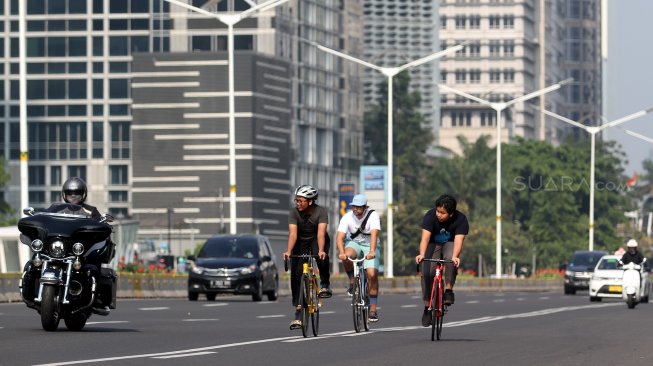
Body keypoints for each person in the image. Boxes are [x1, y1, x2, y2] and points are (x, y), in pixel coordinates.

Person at [415, 194, 469, 327]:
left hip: (450, 243)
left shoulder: (461, 219)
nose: (438, 214)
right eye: (438, 211)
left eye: (442, 213)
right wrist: (421, 254)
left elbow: (458, 241)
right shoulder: (430, 216)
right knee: (427, 272)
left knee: (451, 260)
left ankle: (449, 290)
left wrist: (456, 256)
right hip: (433, 244)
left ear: (451, 214)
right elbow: (425, 238)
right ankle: (427, 307)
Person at [283, 185, 331, 330]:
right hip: (300, 241)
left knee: (321, 256)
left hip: (317, 239)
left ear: (310, 201)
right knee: (296, 274)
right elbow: (293, 234)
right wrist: (288, 251)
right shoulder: (293, 213)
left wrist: (322, 250)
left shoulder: (320, 212)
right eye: (296, 200)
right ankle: (298, 312)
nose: (298, 203)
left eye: (301, 201)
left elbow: (321, 234)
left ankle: (324, 284)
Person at [336, 194, 381, 322]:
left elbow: (374, 234)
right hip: (354, 243)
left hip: (370, 245)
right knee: (346, 256)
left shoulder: (373, 216)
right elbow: (339, 237)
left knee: (372, 274)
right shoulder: (347, 217)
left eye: (358, 207)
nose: (355, 209)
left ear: (365, 207)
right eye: (354, 206)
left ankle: (373, 308)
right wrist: (341, 252)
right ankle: (352, 281)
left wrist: (372, 251)